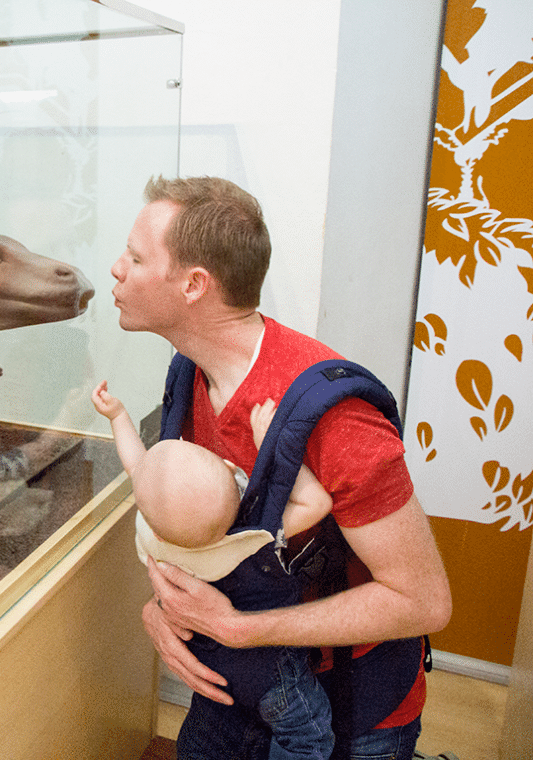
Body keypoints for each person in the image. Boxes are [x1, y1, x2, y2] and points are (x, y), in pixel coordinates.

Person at [110, 175, 451, 760]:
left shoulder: (335, 420)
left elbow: (424, 602)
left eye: (136, 257)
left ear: (194, 284)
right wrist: (166, 609)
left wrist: (239, 629)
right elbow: (196, 530)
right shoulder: (186, 373)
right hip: (233, 687)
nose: (116, 269)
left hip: (348, 712)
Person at [93, 381, 336, 759]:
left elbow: (136, 465)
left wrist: (118, 416)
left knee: (208, 735)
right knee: (308, 735)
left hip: (212, 667)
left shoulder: (157, 536)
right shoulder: (249, 536)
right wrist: (271, 445)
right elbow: (316, 501)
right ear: (234, 477)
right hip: (272, 673)